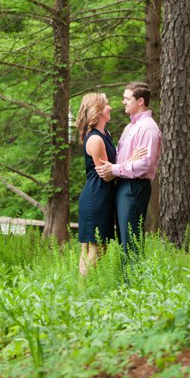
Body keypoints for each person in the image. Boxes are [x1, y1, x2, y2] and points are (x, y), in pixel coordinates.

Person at [95, 81, 162, 255]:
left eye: (127, 98)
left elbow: (145, 164)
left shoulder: (148, 128)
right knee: (124, 240)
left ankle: (134, 273)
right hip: (124, 185)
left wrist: (115, 169)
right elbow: (122, 158)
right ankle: (129, 272)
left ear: (140, 101)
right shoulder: (130, 127)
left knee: (131, 242)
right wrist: (128, 162)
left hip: (134, 186)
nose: (123, 102)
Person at [75, 93, 116, 277]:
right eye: (106, 104)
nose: (110, 107)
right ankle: (84, 289)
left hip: (101, 197)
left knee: (96, 248)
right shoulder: (95, 139)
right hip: (96, 198)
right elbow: (106, 175)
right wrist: (131, 163)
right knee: (95, 248)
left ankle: (82, 288)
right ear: (97, 111)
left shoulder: (105, 135)